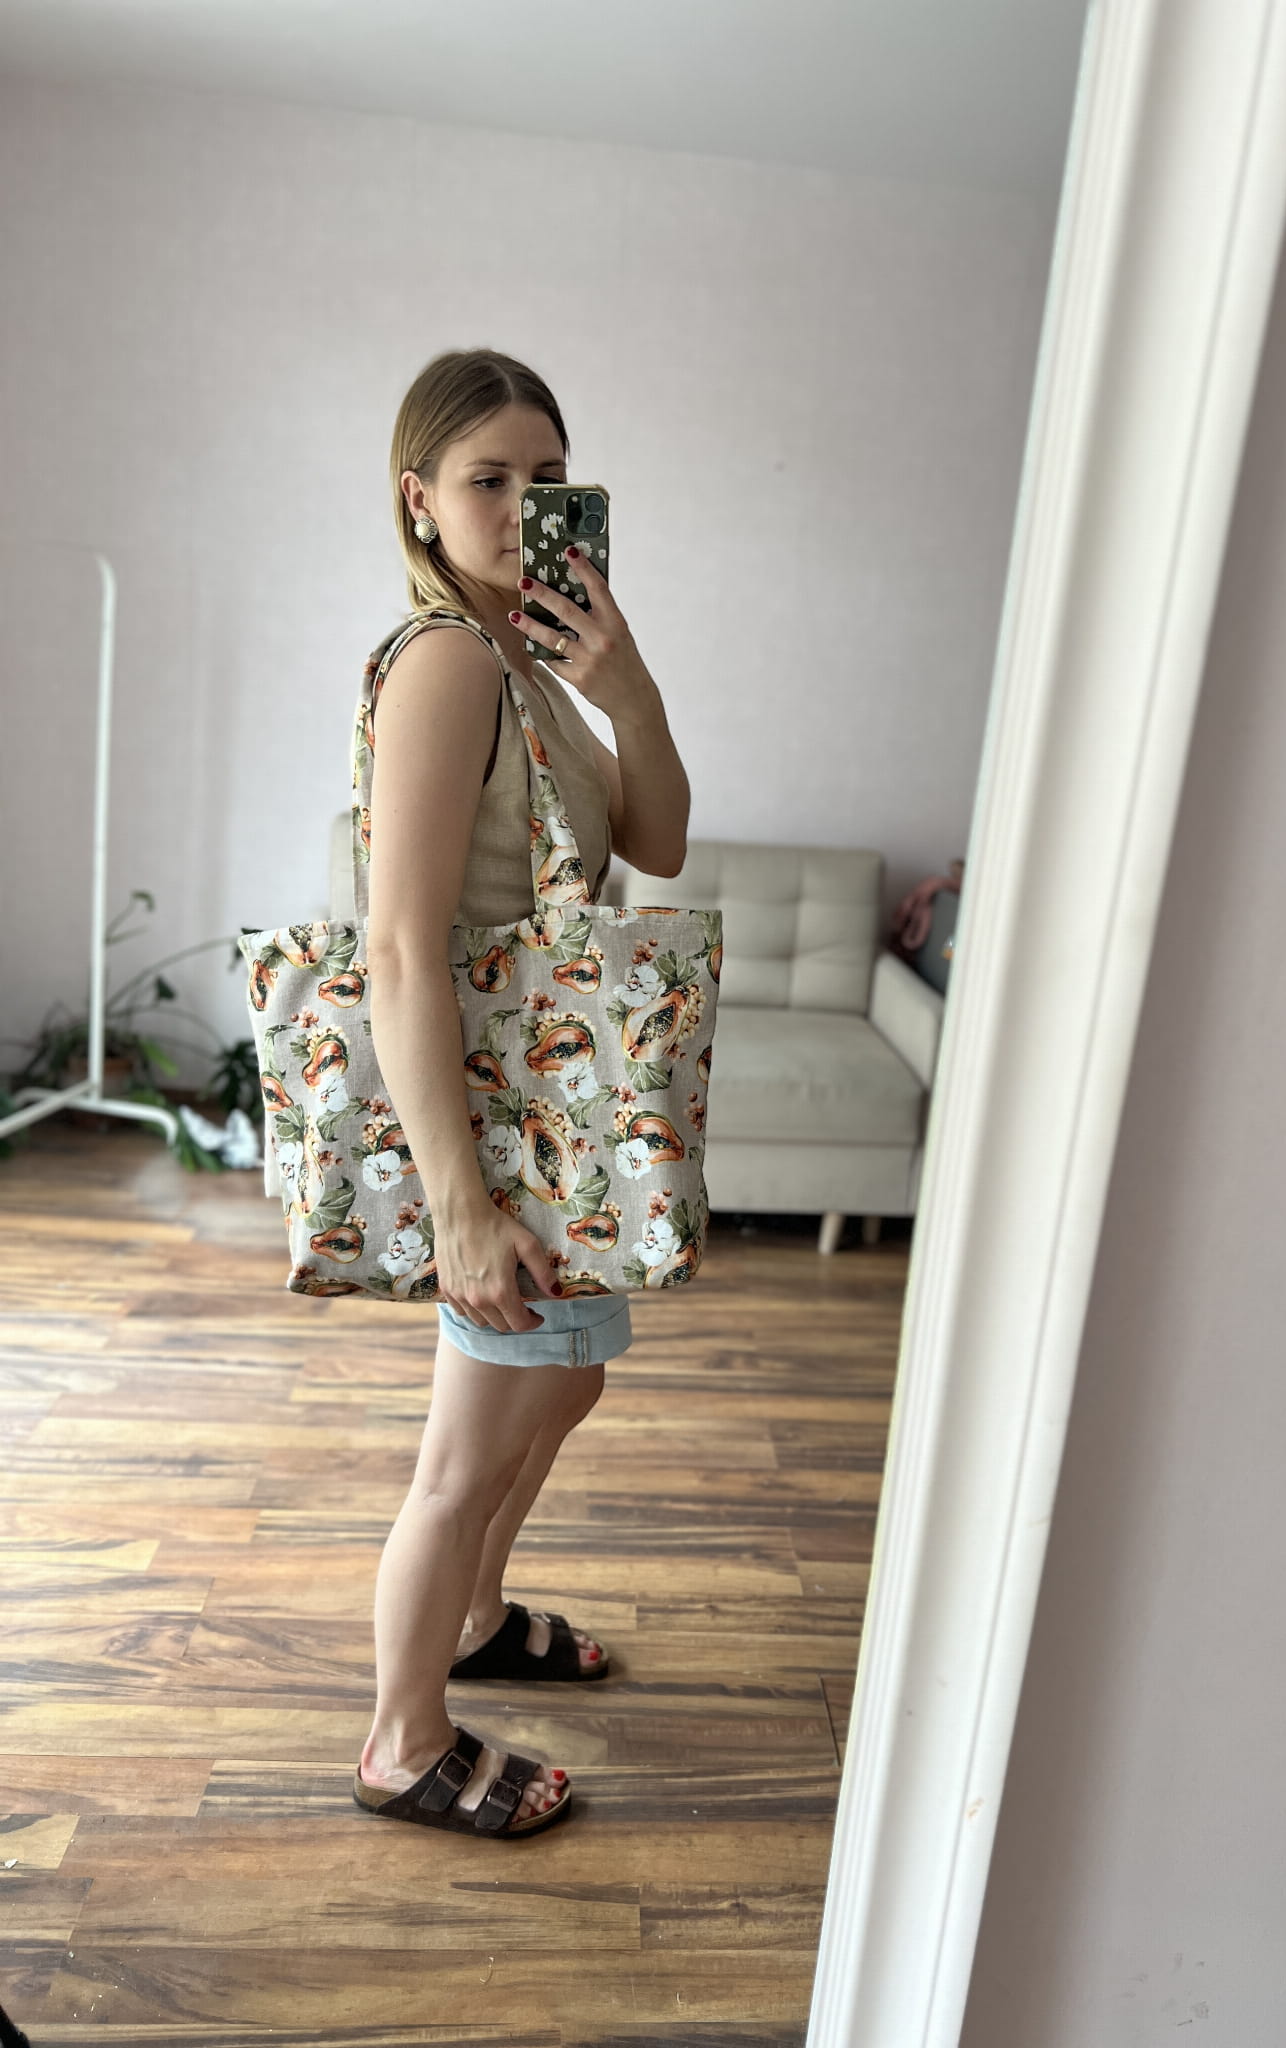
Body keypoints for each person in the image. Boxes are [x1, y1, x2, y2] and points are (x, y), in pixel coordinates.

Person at [351, 348, 690, 1838]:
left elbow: (657, 842)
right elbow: (399, 948)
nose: (520, 505)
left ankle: (478, 1616)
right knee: (467, 1447)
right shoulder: (443, 663)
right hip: (498, 1133)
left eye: (547, 479)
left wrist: (630, 688)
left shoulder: (530, 665)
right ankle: (401, 1738)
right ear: (420, 500)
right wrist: (460, 1210)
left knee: (569, 1378)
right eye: (486, 478)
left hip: (556, 1127)